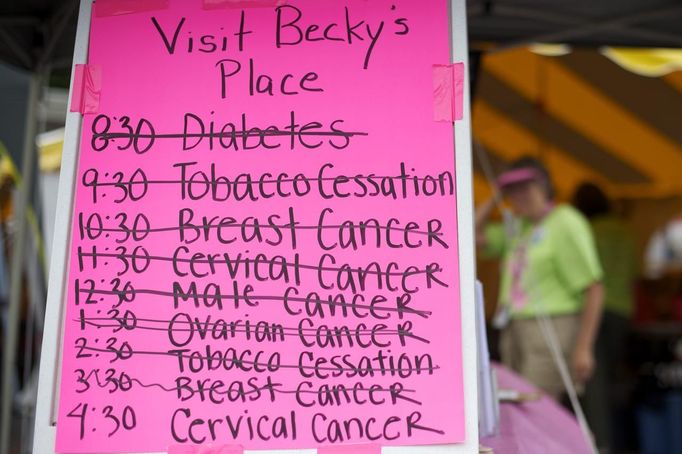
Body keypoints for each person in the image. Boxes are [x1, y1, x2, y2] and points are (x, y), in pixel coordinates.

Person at [476, 156, 604, 400]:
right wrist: (496, 196)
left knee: (535, 406)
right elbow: (471, 233)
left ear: (544, 186)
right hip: (514, 327)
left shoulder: (565, 221)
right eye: (513, 190)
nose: (520, 195)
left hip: (553, 327)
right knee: (515, 404)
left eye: (527, 187)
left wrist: (584, 347)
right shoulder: (517, 226)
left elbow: (594, 287)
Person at [573, 182, 638, 451]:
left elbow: (583, 277)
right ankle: (615, 441)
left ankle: (600, 445)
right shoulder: (626, 231)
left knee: (594, 386)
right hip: (623, 312)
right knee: (610, 379)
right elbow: (637, 271)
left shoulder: (586, 230)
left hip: (594, 311)